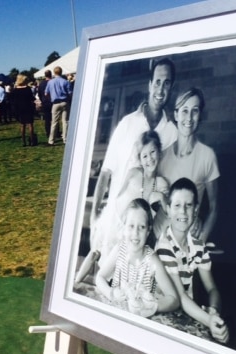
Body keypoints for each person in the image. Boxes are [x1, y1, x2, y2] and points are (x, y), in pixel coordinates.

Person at [91, 57, 178, 259]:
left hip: (145, 232)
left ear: (171, 87)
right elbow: (105, 173)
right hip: (116, 224)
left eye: (166, 83)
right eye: (157, 82)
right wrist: (95, 215)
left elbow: (167, 184)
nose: (161, 89)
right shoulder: (127, 124)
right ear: (149, 85)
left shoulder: (172, 132)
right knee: (107, 281)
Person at [76, 130, 169, 284]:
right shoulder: (133, 173)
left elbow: (168, 212)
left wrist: (162, 197)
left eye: (153, 152)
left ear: (159, 152)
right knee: (95, 252)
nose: (149, 159)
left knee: (115, 269)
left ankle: (104, 287)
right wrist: (106, 216)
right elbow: (117, 196)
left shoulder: (161, 184)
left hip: (132, 230)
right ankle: (76, 282)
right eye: (144, 155)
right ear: (139, 159)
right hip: (116, 220)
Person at [155, 178, 229, 343]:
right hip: (161, 315)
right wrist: (208, 320)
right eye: (177, 206)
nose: (183, 211)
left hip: (186, 313)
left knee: (218, 338)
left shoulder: (198, 247)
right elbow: (180, 296)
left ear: (195, 209)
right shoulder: (164, 246)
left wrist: (214, 312)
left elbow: (212, 289)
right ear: (168, 209)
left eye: (188, 205)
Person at [155, 88, 219, 243]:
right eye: (184, 111)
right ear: (176, 115)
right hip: (158, 240)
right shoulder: (161, 156)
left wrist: (198, 246)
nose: (189, 118)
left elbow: (214, 208)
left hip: (186, 246)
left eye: (194, 111)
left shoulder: (207, 156)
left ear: (200, 115)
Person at [95, 198, 179, 316]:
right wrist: (111, 293)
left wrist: (152, 306)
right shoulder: (119, 250)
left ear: (148, 231)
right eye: (131, 226)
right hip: (117, 314)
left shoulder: (152, 260)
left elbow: (174, 299)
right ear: (124, 227)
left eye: (142, 227)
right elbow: (100, 277)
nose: (135, 233)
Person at [44, 66, 72, 145]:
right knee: (65, 121)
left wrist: (51, 97)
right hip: (64, 102)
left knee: (54, 122)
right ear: (61, 72)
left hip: (55, 103)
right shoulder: (65, 82)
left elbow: (46, 93)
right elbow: (70, 93)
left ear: (54, 72)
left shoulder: (50, 82)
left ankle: (51, 140)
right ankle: (65, 139)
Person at [13, 74, 37, 147]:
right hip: (28, 107)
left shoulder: (15, 90)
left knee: (22, 125)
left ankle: (23, 141)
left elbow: (14, 101)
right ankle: (32, 140)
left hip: (20, 108)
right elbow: (32, 98)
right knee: (30, 124)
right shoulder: (27, 89)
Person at [37, 70, 53, 139]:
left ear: (45, 75)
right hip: (52, 101)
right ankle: (56, 132)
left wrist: (42, 99)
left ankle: (48, 132)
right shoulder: (52, 82)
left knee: (47, 119)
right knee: (54, 118)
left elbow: (39, 93)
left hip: (45, 102)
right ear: (51, 75)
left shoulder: (41, 83)